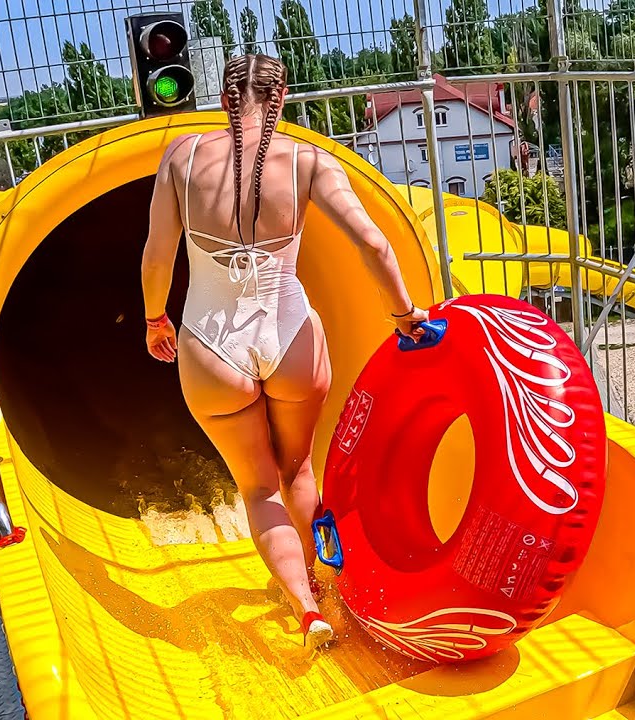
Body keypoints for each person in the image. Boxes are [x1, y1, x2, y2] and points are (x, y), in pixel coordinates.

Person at [140, 54, 427, 651]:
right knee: (299, 469)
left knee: (260, 488)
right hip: (292, 336)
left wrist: (153, 319)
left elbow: (157, 258)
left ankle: (303, 608)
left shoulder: (183, 157)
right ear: (283, 97)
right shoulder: (306, 160)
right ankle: (333, 582)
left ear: (223, 98)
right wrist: (403, 315)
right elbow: (372, 242)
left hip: (211, 345)